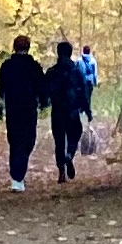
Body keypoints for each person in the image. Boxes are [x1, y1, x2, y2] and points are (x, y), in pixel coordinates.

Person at [0, 33, 48, 191]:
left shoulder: (7, 66)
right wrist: (44, 102)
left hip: (12, 108)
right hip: (29, 108)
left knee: (15, 140)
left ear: (15, 47)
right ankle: (18, 176)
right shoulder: (34, 66)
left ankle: (17, 175)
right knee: (28, 140)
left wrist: (2, 101)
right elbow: (41, 86)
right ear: (28, 47)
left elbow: (2, 87)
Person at [44, 38, 88, 181]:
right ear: (70, 53)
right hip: (73, 110)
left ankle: (61, 171)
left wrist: (44, 103)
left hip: (57, 110)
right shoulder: (77, 70)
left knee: (59, 141)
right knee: (74, 135)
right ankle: (69, 155)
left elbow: (45, 91)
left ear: (58, 53)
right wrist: (87, 109)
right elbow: (83, 90)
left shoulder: (51, 72)